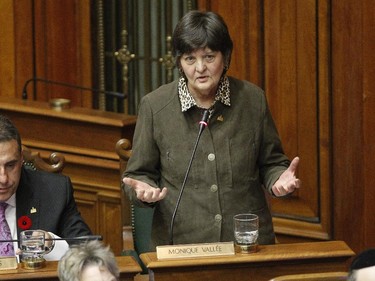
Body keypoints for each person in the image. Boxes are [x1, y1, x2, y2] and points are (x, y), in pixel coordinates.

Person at [122, 10, 300, 249]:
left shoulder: (252, 100)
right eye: (189, 59)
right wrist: (144, 190)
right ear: (179, 62)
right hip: (182, 245)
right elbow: (139, 175)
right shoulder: (155, 107)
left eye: (208, 57)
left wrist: (279, 179)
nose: (200, 68)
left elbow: (271, 162)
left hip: (245, 244)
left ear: (225, 57)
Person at [0, 114, 92, 260]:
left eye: (10, 165)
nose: (3, 178)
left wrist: (53, 245)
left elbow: (89, 252)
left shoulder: (54, 191)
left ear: (21, 159)